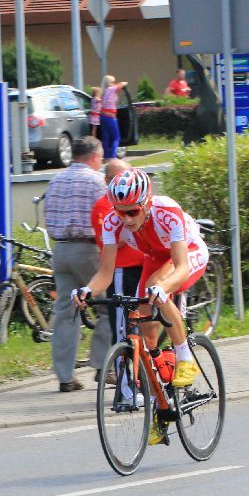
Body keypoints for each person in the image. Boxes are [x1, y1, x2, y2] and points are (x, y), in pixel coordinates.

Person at [74, 168, 208, 390]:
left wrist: (163, 288)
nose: (126, 219)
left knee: (156, 288)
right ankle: (160, 386)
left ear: (146, 203)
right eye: (119, 212)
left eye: (133, 212)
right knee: (145, 326)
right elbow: (105, 274)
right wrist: (86, 291)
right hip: (156, 258)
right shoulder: (111, 222)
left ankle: (185, 357)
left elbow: (181, 267)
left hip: (187, 252)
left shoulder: (167, 210)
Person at [43, 136, 113, 391]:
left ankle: (65, 377)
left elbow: (48, 215)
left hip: (60, 249)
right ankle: (104, 366)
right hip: (88, 250)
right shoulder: (97, 181)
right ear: (94, 156)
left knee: (65, 312)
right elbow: (108, 215)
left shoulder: (55, 179)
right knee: (108, 307)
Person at [92, 159, 145, 350]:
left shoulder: (140, 200)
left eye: (128, 176)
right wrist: (134, 230)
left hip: (144, 267)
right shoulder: (103, 206)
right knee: (122, 329)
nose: (123, 183)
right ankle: (123, 375)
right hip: (122, 270)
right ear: (107, 180)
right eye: (117, 178)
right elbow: (107, 242)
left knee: (147, 322)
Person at [99, 75, 128, 160]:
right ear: (109, 83)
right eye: (113, 82)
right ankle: (113, 156)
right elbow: (123, 83)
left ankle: (106, 156)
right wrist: (121, 84)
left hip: (103, 117)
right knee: (116, 137)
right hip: (110, 117)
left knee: (106, 137)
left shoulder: (103, 92)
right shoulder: (111, 90)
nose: (114, 83)